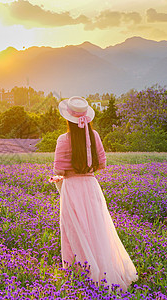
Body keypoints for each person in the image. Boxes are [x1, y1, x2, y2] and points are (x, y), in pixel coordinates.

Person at [53, 96, 138, 291]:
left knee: (75, 230)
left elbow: (59, 169)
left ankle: (79, 276)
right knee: (97, 230)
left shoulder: (63, 139)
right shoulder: (94, 136)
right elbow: (101, 164)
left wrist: (70, 174)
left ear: (68, 119)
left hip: (72, 189)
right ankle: (105, 273)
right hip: (91, 187)